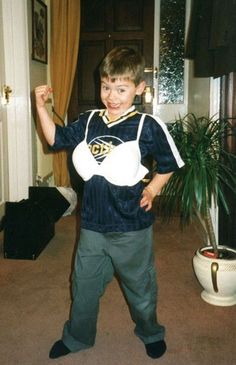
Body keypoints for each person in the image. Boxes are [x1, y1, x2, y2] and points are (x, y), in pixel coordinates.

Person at [35, 46, 184, 360]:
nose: (112, 96)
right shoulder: (89, 121)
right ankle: (77, 338)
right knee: (83, 285)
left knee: (140, 287)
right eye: (106, 87)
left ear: (139, 89)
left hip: (131, 226)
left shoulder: (147, 126)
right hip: (92, 223)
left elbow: (170, 163)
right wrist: (40, 106)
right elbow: (56, 139)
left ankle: (150, 332)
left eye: (121, 89)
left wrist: (154, 189)